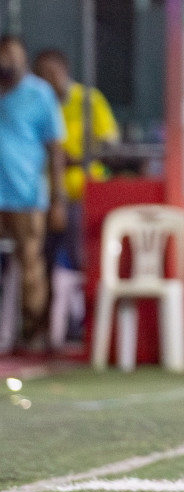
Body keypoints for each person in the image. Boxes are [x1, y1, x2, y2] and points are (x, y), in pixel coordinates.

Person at [0, 36, 66, 354]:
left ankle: (33, 333)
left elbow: (56, 150)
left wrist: (58, 199)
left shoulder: (39, 94)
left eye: (13, 58)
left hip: (27, 195)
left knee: (30, 264)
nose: (7, 64)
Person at [33, 48, 118, 286]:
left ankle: (80, 315)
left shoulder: (88, 99)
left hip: (83, 192)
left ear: (64, 70)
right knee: (43, 261)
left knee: (78, 259)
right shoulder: (40, 104)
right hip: (44, 196)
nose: (47, 80)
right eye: (40, 74)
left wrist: (78, 158)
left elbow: (110, 145)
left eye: (51, 72)